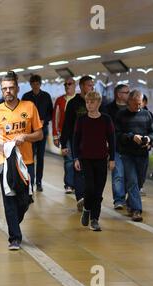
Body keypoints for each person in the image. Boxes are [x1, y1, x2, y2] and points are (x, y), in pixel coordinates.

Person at [0, 71, 43, 250]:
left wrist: (25, 137)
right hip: (4, 161)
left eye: (11, 88)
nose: (8, 91)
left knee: (25, 199)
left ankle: (13, 222)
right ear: (1, 91)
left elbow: (39, 134)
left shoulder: (29, 106)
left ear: (17, 88)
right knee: (9, 198)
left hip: (26, 162)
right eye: (4, 89)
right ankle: (14, 237)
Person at [73, 92, 115, 231]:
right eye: (87, 102)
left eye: (92, 102)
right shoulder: (82, 119)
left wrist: (112, 159)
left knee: (98, 191)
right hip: (86, 158)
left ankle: (94, 219)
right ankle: (86, 209)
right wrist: (76, 158)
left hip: (101, 158)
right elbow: (76, 139)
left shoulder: (106, 119)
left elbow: (111, 139)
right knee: (90, 187)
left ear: (98, 103)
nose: (89, 105)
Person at [115, 90, 153, 222]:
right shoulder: (121, 115)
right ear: (130, 101)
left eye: (140, 104)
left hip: (142, 154)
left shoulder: (147, 114)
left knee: (139, 181)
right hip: (127, 154)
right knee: (132, 181)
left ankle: (130, 201)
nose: (138, 106)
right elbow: (117, 134)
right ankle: (137, 210)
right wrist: (132, 137)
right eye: (136, 104)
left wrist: (148, 140)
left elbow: (152, 132)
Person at [60, 76, 94, 212]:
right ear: (81, 86)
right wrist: (63, 144)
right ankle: (80, 198)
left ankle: (89, 197)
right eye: (88, 85)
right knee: (78, 169)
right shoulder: (74, 103)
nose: (91, 87)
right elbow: (67, 124)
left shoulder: (96, 102)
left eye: (92, 85)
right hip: (77, 141)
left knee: (91, 172)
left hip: (93, 142)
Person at [22, 74, 53, 192]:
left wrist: (45, 119)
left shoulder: (46, 96)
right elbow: (22, 113)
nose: (35, 85)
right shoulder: (26, 97)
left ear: (40, 84)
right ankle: (30, 181)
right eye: (33, 83)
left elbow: (51, 112)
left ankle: (39, 182)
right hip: (30, 132)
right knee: (30, 157)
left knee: (40, 157)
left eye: (37, 83)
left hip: (42, 130)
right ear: (30, 84)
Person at [101, 84, 130, 209]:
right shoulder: (108, 109)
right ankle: (119, 199)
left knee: (130, 175)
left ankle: (130, 197)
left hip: (130, 147)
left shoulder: (132, 108)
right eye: (126, 92)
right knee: (118, 174)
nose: (129, 94)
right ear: (119, 94)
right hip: (115, 146)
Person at [53, 78, 76, 194]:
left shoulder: (79, 100)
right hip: (64, 134)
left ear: (75, 85)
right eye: (65, 84)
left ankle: (78, 183)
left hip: (77, 134)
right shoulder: (60, 100)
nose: (67, 86)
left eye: (69, 84)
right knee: (68, 160)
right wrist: (55, 136)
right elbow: (55, 118)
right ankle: (69, 184)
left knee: (78, 159)